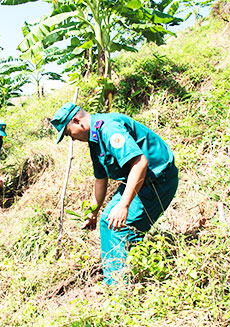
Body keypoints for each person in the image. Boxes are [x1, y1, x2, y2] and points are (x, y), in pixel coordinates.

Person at [51, 102, 179, 285]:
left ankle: (120, 288)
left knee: (119, 228)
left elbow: (140, 163)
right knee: (107, 222)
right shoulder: (94, 140)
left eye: (69, 134)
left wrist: (124, 205)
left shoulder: (108, 129)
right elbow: (100, 180)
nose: (72, 139)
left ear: (77, 121)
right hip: (139, 180)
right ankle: (119, 277)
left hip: (158, 180)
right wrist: (93, 212)